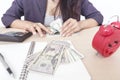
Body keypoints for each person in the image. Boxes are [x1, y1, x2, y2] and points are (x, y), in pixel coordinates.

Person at [1, 0, 103, 37]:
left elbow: (97, 17)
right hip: (36, 44)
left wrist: (80, 24)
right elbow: (7, 18)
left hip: (69, 44)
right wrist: (29, 25)